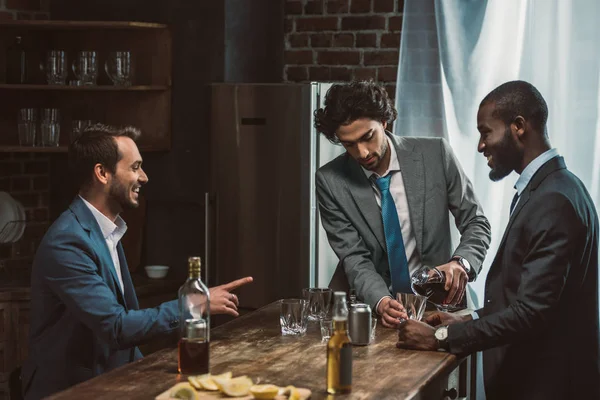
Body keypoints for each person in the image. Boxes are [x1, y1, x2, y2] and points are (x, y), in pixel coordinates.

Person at [396, 81, 600, 400]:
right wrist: (470, 318)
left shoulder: (553, 199)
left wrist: (440, 336)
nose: (481, 145)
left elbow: (531, 314)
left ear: (518, 126)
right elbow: (526, 297)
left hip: (549, 387)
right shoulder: (557, 187)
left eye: (486, 132)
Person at [21, 124, 253, 399]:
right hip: (71, 391)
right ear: (102, 173)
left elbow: (124, 341)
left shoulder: (107, 229)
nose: (144, 177)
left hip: (110, 382)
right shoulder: (68, 242)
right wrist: (195, 305)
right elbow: (116, 327)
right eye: (135, 167)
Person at [314, 80, 491, 328]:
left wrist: (460, 262)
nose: (362, 153)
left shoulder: (436, 154)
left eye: (367, 137)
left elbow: (476, 221)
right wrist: (381, 301)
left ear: (384, 121)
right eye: (349, 144)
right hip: (370, 312)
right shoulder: (330, 181)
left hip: (440, 308)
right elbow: (354, 257)